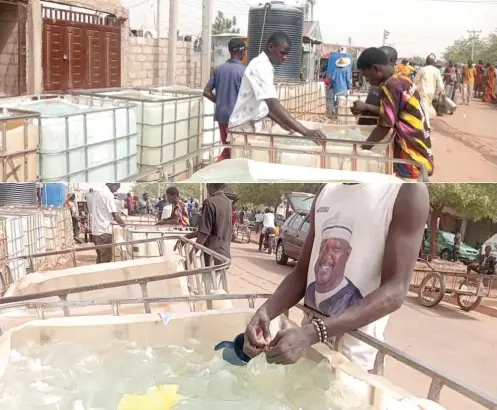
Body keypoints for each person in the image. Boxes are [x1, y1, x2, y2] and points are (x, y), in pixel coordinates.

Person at [242, 183, 429, 371]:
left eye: (337, 248)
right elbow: (301, 274)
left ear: (348, 253)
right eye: (325, 246)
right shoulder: (326, 190)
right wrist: (265, 312)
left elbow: (395, 291)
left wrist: (313, 333)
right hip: (307, 352)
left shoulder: (404, 191)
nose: (326, 256)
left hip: (352, 363)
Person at [229, 31, 326, 140]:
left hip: (250, 126)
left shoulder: (266, 67)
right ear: (271, 47)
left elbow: (265, 106)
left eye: (287, 54)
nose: (285, 57)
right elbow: (272, 104)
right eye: (282, 53)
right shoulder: (260, 66)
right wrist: (305, 131)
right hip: (242, 129)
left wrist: (281, 122)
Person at [356, 47, 433, 180]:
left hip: (410, 151)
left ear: (375, 68)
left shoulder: (390, 85)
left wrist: (361, 150)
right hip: (422, 145)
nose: (368, 81)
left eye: (367, 76)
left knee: (406, 186)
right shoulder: (404, 79)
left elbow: (384, 126)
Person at [203, 38, 247, 161]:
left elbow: (206, 92)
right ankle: (215, 177)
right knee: (233, 150)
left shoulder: (218, 69)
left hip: (222, 116)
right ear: (242, 52)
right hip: (237, 119)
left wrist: (222, 101)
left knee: (228, 147)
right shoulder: (244, 72)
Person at [183, 184, 232, 265]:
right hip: (225, 254)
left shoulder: (209, 202)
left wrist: (190, 258)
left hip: (212, 255)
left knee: (208, 278)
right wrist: (188, 236)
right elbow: (213, 229)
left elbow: (204, 234)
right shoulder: (228, 202)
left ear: (209, 185)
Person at [353, 46, 398, 126]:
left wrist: (366, 107)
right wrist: (362, 109)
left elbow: (391, 115)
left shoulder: (394, 84)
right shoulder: (379, 80)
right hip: (370, 127)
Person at [88, 183, 126, 264]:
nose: (116, 191)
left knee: (100, 258)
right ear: (113, 184)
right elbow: (115, 215)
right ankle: (105, 276)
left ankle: (98, 275)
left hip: (96, 231)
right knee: (106, 259)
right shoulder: (107, 194)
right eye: (116, 188)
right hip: (104, 231)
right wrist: (124, 226)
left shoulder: (97, 192)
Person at [413, 53, 445, 129]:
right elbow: (440, 83)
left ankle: (426, 126)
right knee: (426, 108)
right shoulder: (437, 70)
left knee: (424, 109)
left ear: (426, 62)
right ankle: (425, 124)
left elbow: (415, 81)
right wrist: (443, 93)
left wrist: (412, 90)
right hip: (432, 92)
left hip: (423, 92)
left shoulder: (422, 69)